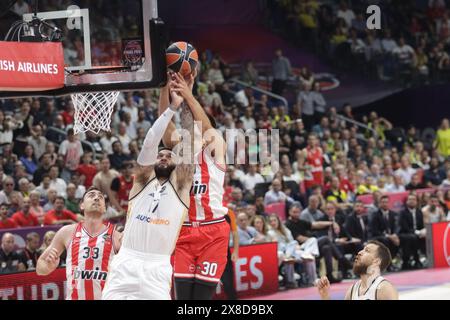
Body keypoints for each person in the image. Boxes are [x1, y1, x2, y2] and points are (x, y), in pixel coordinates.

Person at [102, 82, 193, 300]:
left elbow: (188, 149)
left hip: (157, 265)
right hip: (126, 261)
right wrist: (170, 107)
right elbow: (150, 141)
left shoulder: (181, 187)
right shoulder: (141, 182)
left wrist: (187, 97)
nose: (162, 157)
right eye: (160, 155)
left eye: (168, 155)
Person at [161, 71, 231, 300]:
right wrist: (164, 86)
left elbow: (206, 126)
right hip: (184, 231)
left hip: (214, 231)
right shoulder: (180, 152)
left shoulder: (215, 150)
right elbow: (164, 123)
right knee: (182, 298)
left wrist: (188, 94)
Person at [36, 186, 121, 300]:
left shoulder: (116, 236)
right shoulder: (67, 232)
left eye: (100, 197)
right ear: (82, 205)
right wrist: (48, 267)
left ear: (105, 208)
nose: (96, 198)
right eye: (91, 196)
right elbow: (40, 267)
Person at [317, 240, 399, 300]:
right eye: (362, 249)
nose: (359, 252)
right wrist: (325, 296)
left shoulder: (384, 288)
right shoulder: (353, 290)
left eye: (367, 250)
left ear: (376, 261)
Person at [221, 209, 239, 300]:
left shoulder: (228, 212)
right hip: (206, 254)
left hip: (224, 254)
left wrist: (235, 251)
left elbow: (235, 233)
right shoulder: (204, 210)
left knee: (228, 285)